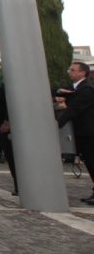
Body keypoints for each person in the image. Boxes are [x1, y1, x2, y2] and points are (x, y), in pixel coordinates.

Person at [57, 61, 94, 205]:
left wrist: (57, 124)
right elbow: (60, 92)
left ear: (82, 73)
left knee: (92, 162)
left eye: (73, 70)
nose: (70, 72)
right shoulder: (76, 88)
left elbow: (73, 110)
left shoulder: (87, 90)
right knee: (90, 163)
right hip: (82, 132)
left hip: (89, 133)